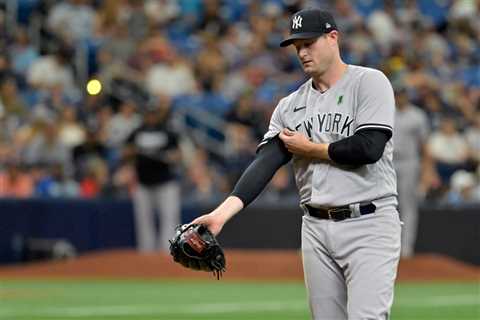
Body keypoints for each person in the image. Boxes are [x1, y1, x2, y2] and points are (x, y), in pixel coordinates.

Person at [192, 8, 401, 320]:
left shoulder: (369, 83)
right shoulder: (290, 106)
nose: (302, 52)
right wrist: (222, 215)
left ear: (333, 38)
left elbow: (368, 148)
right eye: (297, 45)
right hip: (315, 226)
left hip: (369, 221)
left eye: (309, 43)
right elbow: (265, 162)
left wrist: (310, 149)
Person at [125, 101, 181, 253]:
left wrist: (166, 157)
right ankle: (146, 255)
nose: (151, 117)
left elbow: (178, 155)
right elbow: (126, 151)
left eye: (153, 113)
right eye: (148, 114)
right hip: (143, 181)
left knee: (169, 219)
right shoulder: (137, 132)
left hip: (165, 181)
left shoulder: (168, 131)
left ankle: (168, 252)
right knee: (144, 221)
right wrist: (138, 152)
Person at [393, 85, 436, 257]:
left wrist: (427, 170)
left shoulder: (417, 115)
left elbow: (425, 146)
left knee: (407, 205)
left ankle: (406, 249)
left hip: (409, 162)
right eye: (397, 94)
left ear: (407, 96)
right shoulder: (387, 111)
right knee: (386, 206)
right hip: (387, 162)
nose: (399, 97)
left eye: (402, 94)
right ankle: (389, 247)